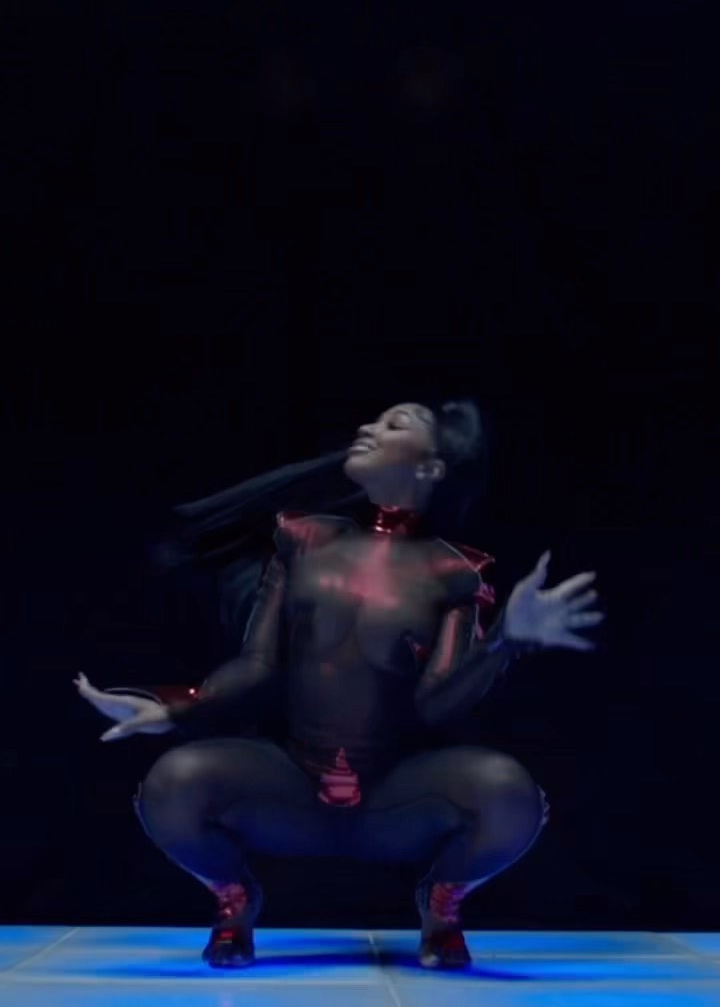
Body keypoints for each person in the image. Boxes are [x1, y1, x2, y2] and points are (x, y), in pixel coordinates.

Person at [76, 399, 602, 971]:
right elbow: (257, 664)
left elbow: (436, 705)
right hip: (291, 788)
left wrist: (505, 641)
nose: (368, 428)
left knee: (510, 796)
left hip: (395, 798)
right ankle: (235, 900)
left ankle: (440, 904)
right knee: (172, 783)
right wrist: (172, 706)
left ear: (430, 468)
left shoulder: (454, 571)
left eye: (394, 423)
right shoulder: (306, 540)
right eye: (375, 420)